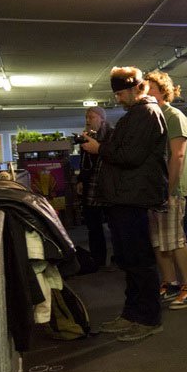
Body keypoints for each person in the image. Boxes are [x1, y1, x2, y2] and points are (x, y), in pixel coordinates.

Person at [81, 66, 168, 342]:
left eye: (120, 93)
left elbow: (130, 156)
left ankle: (148, 318)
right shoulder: (139, 114)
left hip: (132, 197)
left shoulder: (146, 114)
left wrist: (99, 148)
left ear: (135, 89)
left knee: (138, 260)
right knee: (130, 260)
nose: (117, 99)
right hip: (125, 196)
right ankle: (133, 314)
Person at [144, 71, 187, 309]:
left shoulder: (174, 116)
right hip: (153, 189)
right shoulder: (151, 117)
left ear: (163, 91)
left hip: (171, 190)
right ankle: (170, 283)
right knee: (159, 241)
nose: (145, 92)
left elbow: (178, 156)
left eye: (150, 88)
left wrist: (168, 190)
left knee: (175, 239)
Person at [75, 106, 114, 269]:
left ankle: (119, 258)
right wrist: (80, 180)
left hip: (108, 186)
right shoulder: (88, 136)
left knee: (114, 224)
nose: (88, 120)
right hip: (91, 185)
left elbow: (113, 156)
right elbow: (84, 162)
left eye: (91, 117)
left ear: (101, 118)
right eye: (87, 117)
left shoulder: (112, 135)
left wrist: (97, 148)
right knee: (93, 226)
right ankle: (98, 260)